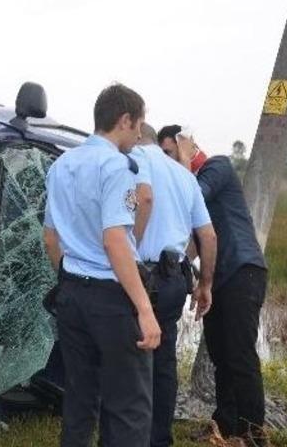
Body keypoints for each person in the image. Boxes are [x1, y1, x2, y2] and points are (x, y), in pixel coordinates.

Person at [43, 83, 161, 447]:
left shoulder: (62, 164)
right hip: (111, 299)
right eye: (139, 125)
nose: (140, 134)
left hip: (72, 294)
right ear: (124, 120)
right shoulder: (118, 166)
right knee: (129, 406)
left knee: (79, 399)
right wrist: (144, 309)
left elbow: (50, 238)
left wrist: (70, 280)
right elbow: (115, 241)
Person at [158, 125, 268, 445]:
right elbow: (192, 240)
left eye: (170, 152)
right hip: (220, 279)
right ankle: (226, 426)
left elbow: (190, 194)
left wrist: (183, 157)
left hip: (242, 272)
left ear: (185, 146)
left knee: (241, 357)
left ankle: (253, 433)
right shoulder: (191, 176)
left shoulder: (216, 166)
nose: (167, 160)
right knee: (221, 356)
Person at [129, 124, 217, 447]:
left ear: (137, 135)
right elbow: (208, 236)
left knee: (127, 358)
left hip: (139, 274)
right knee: (164, 363)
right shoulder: (185, 177)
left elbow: (143, 200)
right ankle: (159, 439)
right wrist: (205, 283)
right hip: (173, 281)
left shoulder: (133, 158)